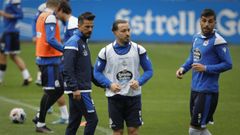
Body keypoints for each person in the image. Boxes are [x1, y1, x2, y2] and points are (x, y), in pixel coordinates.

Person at [176, 9, 232, 135]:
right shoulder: (196, 37)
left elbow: (228, 64)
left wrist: (206, 68)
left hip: (207, 92)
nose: (207, 24)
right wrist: (183, 68)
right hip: (195, 88)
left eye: (210, 21)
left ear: (215, 23)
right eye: (204, 21)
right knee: (200, 129)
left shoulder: (218, 41)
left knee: (194, 130)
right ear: (200, 21)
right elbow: (193, 56)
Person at [94, 19, 153, 135]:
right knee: (117, 132)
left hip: (133, 97)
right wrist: (109, 84)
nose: (127, 33)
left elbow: (149, 71)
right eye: (123, 31)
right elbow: (96, 72)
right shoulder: (105, 51)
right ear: (115, 32)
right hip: (114, 98)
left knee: (133, 131)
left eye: (128, 30)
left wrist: (139, 82)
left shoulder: (138, 49)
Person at [63, 12, 98, 135]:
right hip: (80, 90)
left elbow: (87, 68)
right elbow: (67, 68)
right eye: (87, 27)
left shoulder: (83, 41)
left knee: (74, 122)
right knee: (92, 120)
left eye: (92, 27)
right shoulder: (74, 42)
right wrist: (75, 88)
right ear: (79, 26)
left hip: (80, 89)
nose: (90, 29)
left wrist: (102, 84)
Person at [33, 0, 65, 133]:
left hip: (46, 58)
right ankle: (40, 123)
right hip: (49, 60)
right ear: (58, 6)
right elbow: (50, 39)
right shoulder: (51, 17)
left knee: (58, 89)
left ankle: (39, 117)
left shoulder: (42, 15)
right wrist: (65, 49)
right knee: (51, 91)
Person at [56, 0, 87, 126]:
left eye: (56, 11)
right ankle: (72, 117)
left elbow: (79, 44)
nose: (55, 14)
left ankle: (86, 117)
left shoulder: (73, 23)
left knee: (77, 90)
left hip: (76, 63)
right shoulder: (68, 23)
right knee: (68, 90)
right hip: (71, 61)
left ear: (61, 10)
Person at [0, 0, 32, 85]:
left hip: (9, 32)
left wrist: (5, 15)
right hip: (11, 32)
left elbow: (20, 15)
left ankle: (0, 79)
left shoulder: (14, 1)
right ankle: (27, 77)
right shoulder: (8, 1)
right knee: (13, 56)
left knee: (3, 55)